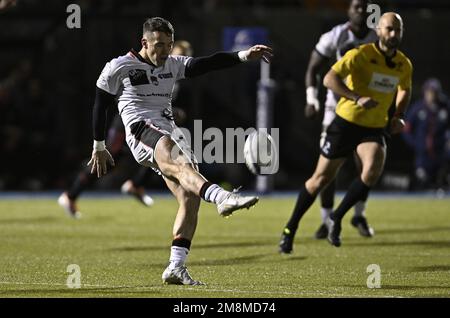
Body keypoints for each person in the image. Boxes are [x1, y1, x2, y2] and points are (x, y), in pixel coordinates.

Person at [88, 17, 272, 285]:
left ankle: (176, 266)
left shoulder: (172, 64)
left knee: (189, 197)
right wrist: (99, 145)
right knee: (180, 163)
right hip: (142, 129)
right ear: (144, 42)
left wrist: (244, 55)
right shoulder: (120, 66)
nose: (164, 51)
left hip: (168, 131)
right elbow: (100, 104)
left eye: (169, 45)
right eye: (159, 45)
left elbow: (208, 63)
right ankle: (221, 196)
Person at [279, 12, 412, 253]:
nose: (393, 34)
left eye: (398, 30)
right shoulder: (361, 54)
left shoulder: (403, 63)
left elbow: (405, 88)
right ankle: (290, 229)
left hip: (374, 127)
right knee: (320, 179)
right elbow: (329, 79)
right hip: (346, 122)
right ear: (379, 30)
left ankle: (338, 216)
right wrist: (356, 97)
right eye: (389, 29)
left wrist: (398, 115)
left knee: (371, 170)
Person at [57, 41, 194, 219]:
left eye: (184, 55)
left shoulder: (174, 78)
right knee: (109, 159)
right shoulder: (150, 67)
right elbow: (131, 95)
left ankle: (136, 185)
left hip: (151, 125)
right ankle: (71, 194)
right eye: (176, 53)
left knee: (161, 153)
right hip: (129, 123)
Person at [303, 0, 377, 240]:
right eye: (356, 6)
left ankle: (359, 214)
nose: (360, 10)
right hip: (336, 108)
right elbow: (314, 67)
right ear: (348, 10)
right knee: (328, 168)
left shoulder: (377, 37)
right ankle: (326, 221)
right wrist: (311, 98)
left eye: (364, 6)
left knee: (366, 165)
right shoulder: (335, 36)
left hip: (368, 108)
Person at [403, 78, 450, 190]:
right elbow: (406, 129)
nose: (432, 95)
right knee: (422, 181)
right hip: (422, 154)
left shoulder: (445, 107)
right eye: (429, 92)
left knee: (442, 181)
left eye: (434, 92)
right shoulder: (417, 108)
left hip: (441, 152)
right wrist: (415, 144)